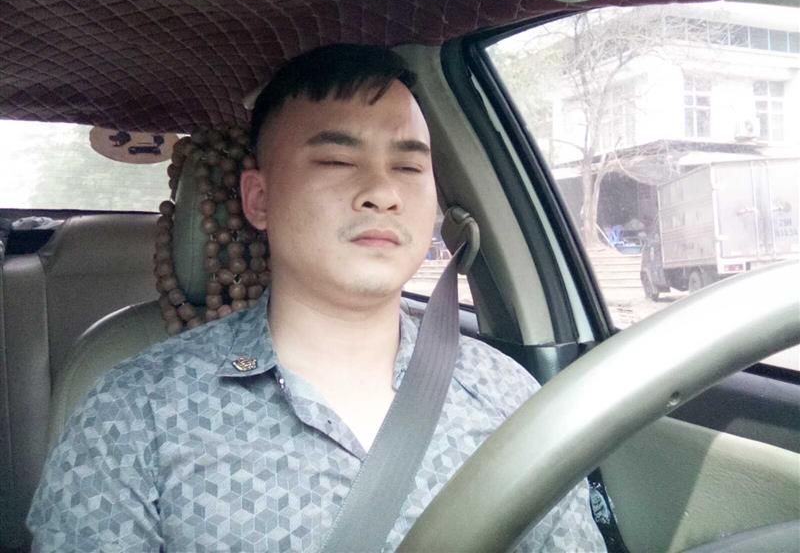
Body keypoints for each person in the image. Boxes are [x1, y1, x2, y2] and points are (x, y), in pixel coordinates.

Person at [27, 44, 606, 552]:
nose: (382, 192)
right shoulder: (134, 411)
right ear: (259, 199)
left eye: (409, 166)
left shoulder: (505, 394)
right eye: (337, 160)